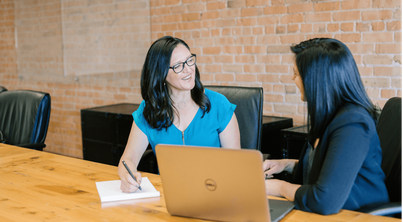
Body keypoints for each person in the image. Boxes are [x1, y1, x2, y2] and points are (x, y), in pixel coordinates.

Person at [263, 38, 389, 215]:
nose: (292, 78)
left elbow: (324, 200)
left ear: (316, 80)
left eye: (296, 73)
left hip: (358, 215)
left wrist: (279, 187)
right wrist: (286, 164)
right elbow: (329, 166)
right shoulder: (330, 115)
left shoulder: (353, 124)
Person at [118, 36, 241, 193]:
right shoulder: (148, 111)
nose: (189, 69)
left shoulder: (219, 105)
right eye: (178, 66)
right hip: (168, 194)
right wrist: (127, 178)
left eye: (190, 60)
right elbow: (128, 159)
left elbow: (235, 164)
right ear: (161, 74)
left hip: (214, 192)